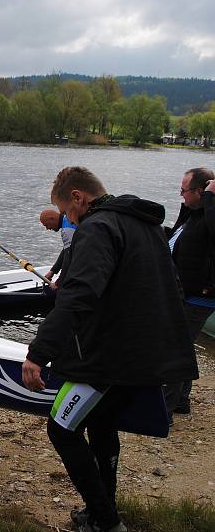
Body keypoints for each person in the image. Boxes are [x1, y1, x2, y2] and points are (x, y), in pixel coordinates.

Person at [22, 167, 197, 532]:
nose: (69, 220)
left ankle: (107, 521)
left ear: (77, 198)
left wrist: (39, 352)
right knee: (101, 424)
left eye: (68, 212)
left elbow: (80, 293)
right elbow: (166, 286)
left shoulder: (97, 227)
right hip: (144, 352)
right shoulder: (144, 225)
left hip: (109, 357)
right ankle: (100, 512)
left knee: (62, 429)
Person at [164, 167, 215, 417]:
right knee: (182, 347)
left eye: (184, 190)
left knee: (174, 348)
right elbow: (175, 238)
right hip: (182, 292)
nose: (180, 194)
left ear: (199, 191)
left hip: (199, 297)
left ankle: (166, 407)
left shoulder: (209, 216)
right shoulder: (192, 216)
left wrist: (211, 198)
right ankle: (181, 401)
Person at [39, 208, 76, 288]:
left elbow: (68, 259)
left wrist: (58, 283)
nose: (47, 228)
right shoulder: (67, 219)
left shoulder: (66, 230)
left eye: (46, 225)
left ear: (52, 218)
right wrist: (53, 271)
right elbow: (66, 251)